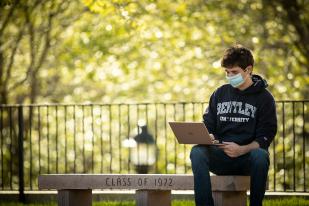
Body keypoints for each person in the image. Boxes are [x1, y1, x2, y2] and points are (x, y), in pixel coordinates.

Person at [190, 44, 277, 206]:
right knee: (197, 152)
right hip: (221, 157)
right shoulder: (220, 93)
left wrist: (241, 150)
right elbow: (209, 124)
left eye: (234, 72)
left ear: (248, 69)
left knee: (261, 155)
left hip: (247, 159)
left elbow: (266, 136)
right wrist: (209, 136)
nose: (230, 76)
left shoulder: (264, 98)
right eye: (227, 72)